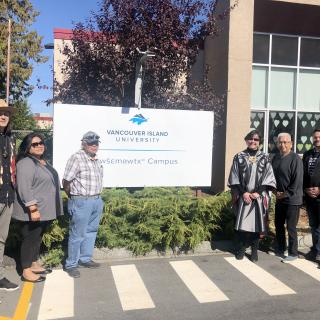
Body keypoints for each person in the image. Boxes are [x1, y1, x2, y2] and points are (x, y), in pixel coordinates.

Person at [12, 133, 63, 282]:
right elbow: (24, 188)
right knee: (30, 239)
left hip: (44, 210)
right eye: (35, 144)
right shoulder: (26, 163)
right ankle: (26, 271)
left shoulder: (41, 161)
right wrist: (33, 209)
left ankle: (33, 264)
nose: (40, 145)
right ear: (27, 147)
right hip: (33, 211)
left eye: (41, 143)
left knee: (36, 238)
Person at [228, 130, 276, 262]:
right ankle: (241, 249)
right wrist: (244, 193)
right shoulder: (239, 156)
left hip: (258, 197)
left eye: (256, 140)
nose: (253, 141)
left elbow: (269, 177)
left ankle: (254, 251)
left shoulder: (265, 157)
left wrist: (258, 192)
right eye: (250, 139)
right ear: (246, 140)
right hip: (244, 197)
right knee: (242, 226)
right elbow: (234, 177)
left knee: (257, 226)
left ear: (259, 142)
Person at [63, 131, 104, 278]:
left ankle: (85, 259)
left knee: (91, 231)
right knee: (77, 234)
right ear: (84, 143)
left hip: (96, 200)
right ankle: (71, 264)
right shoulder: (76, 158)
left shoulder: (97, 160)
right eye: (91, 143)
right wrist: (73, 197)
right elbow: (66, 181)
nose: (94, 146)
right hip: (81, 201)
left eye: (96, 143)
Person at [272, 133, 303, 262]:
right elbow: (272, 177)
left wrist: (283, 194)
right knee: (278, 224)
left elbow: (296, 182)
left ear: (291, 143)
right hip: (280, 198)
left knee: (290, 226)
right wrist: (274, 191)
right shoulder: (276, 158)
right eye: (280, 142)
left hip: (292, 199)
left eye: (285, 142)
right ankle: (280, 248)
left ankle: (293, 253)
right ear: (277, 143)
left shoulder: (295, 159)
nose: (283, 145)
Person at [0, 99, 19, 291]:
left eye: (6, 113)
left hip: (6, 196)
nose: (3, 116)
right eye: (0, 112)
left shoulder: (9, 139)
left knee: (0, 239)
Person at [302, 129, 320, 263]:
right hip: (309, 197)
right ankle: (315, 250)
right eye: (315, 137)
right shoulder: (307, 154)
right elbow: (303, 175)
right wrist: (305, 189)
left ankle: (318, 251)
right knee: (313, 225)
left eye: (319, 137)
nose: (317, 139)